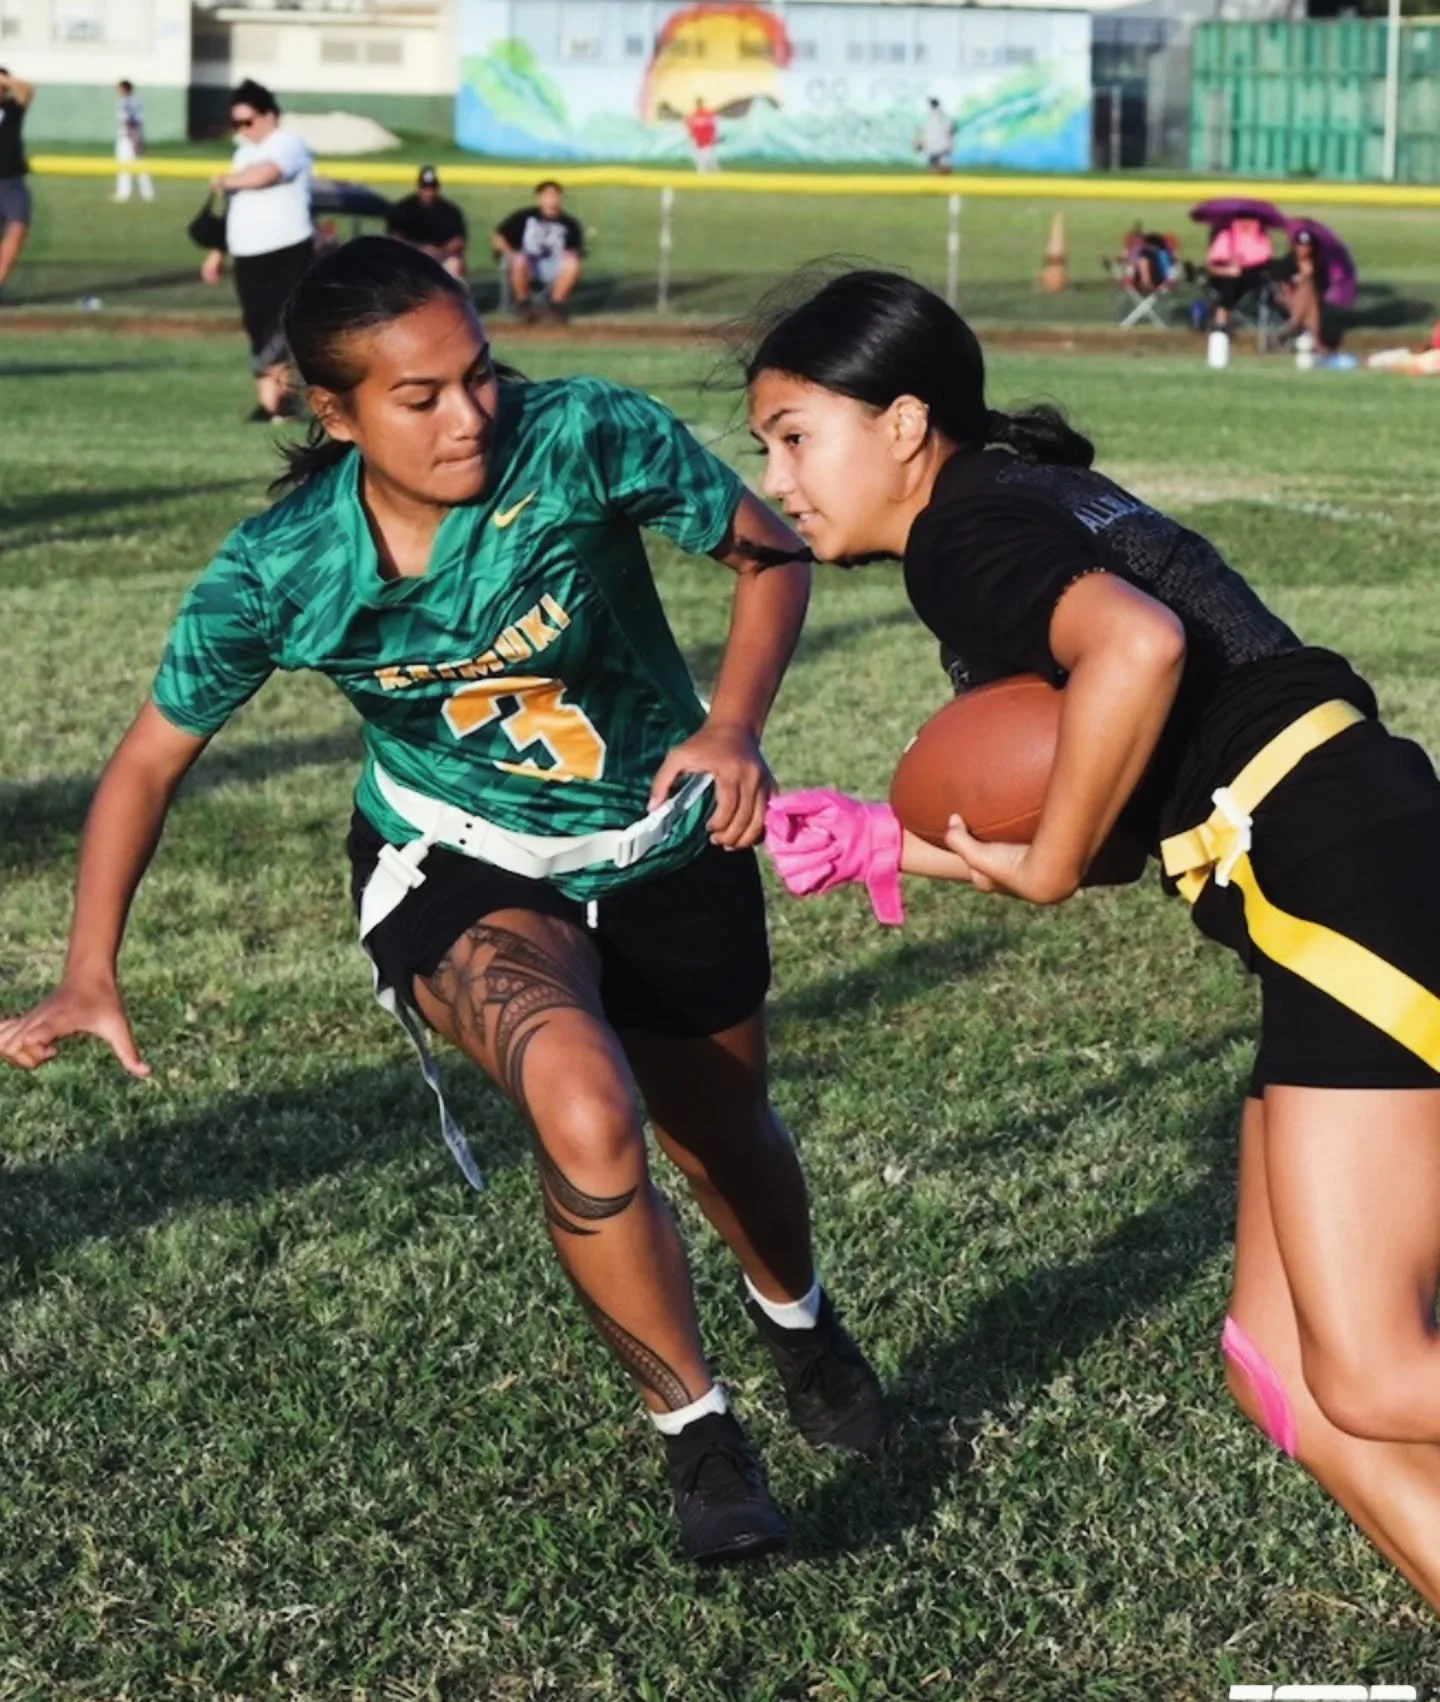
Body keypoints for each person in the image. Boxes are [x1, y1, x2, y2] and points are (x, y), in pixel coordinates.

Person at [0, 238, 886, 1566]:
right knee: (587, 1114)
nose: (470, 414)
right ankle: (701, 1441)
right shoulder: (282, 569)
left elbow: (772, 556)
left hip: (660, 838)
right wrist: (89, 968)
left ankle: (798, 1316)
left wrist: (734, 728)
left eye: (476, 374)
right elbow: (144, 760)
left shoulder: (582, 433)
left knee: (724, 1137)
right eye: (420, 397)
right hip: (456, 857)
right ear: (333, 411)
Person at [747, 270, 1440, 1632]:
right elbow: (1129, 802)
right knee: (1283, 1372)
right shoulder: (1017, 499)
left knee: (1367, 1372)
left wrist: (1045, 863)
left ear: (901, 425)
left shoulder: (965, 532)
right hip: (1350, 864)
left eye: (791, 436)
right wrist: (903, 845)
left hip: (1352, 885)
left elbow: (1137, 646)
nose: (777, 477)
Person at [201, 79, 314, 422]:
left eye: (247, 122)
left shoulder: (288, 144)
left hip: (285, 250)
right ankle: (270, 405)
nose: (242, 130)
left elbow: (268, 174)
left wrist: (227, 180)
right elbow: (236, 207)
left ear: (269, 116)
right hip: (248, 254)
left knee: (281, 328)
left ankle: (280, 401)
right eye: (236, 124)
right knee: (257, 326)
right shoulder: (243, 153)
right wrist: (217, 252)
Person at [491, 180, 584, 324]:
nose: (552, 199)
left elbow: (576, 249)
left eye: (555, 195)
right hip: (526, 262)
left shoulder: (569, 223)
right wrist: (509, 252)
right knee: (520, 258)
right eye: (547, 195)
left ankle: (556, 306)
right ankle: (523, 305)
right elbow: (498, 237)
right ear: (539, 198)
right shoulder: (523, 217)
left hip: (553, 263)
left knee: (572, 263)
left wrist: (571, 254)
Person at [387, 163, 467, 282]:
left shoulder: (450, 211)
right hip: (410, 257)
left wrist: (440, 252)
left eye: (432, 188)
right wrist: (420, 251)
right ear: (418, 187)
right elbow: (394, 238)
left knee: (454, 264)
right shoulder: (403, 209)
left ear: (438, 188)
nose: (428, 192)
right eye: (425, 187)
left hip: (442, 258)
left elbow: (458, 240)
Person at [1203, 213, 1272, 334]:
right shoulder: (1226, 236)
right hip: (1224, 276)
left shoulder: (1260, 238)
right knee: (1230, 283)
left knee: (1237, 281)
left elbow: (1265, 260)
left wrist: (1242, 265)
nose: (1246, 222)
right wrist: (1229, 270)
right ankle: (1222, 319)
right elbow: (1211, 265)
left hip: (1251, 278)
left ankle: (1221, 319)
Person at [1276, 227, 1339, 358]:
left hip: (1308, 302)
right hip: (1287, 298)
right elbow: (1284, 287)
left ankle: (1293, 324)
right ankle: (1316, 342)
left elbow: (1323, 288)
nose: (1303, 249)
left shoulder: (1318, 265)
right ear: (1294, 246)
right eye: (1300, 246)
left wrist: (1307, 278)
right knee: (1307, 290)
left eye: (1306, 246)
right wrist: (1302, 277)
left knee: (1309, 292)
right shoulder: (1288, 262)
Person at [0, 66, 34, 305]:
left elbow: (26, 89)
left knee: (18, 228)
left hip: (11, 181)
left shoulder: (11, 109)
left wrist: (5, 80)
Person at [113, 79, 154, 205]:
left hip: (128, 138)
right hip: (136, 136)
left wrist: (133, 139)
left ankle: (123, 193)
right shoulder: (136, 102)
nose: (117, 91)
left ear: (125, 89)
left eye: (119, 89)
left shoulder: (125, 103)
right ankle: (148, 193)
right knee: (141, 166)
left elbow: (130, 121)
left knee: (124, 166)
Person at [915, 97, 955, 173]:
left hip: (935, 147)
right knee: (941, 169)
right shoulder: (943, 116)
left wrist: (920, 143)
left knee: (938, 169)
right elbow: (951, 131)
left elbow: (923, 132)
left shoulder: (930, 117)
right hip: (942, 147)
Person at [686, 98, 720, 174]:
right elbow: (689, 128)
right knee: (700, 159)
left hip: (707, 140)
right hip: (698, 140)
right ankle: (703, 175)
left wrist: (714, 137)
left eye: (700, 103)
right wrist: (691, 138)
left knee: (709, 158)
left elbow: (714, 126)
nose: (699, 105)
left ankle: (715, 173)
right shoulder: (693, 115)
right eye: (698, 103)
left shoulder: (708, 114)